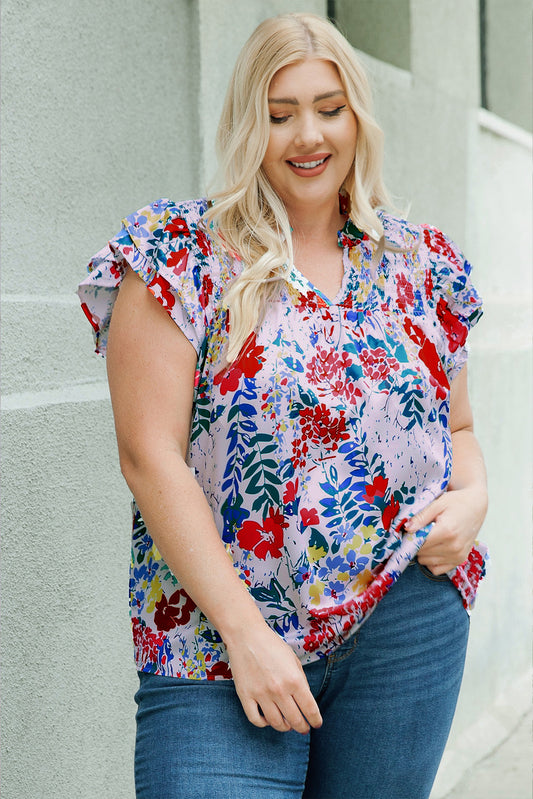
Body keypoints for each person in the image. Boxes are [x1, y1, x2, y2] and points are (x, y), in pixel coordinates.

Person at [78, 12, 488, 799]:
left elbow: (457, 426)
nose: (308, 135)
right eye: (279, 113)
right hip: (215, 642)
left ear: (357, 116)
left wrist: (473, 497)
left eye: (328, 107)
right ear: (246, 124)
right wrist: (245, 633)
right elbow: (147, 454)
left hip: (403, 627)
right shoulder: (179, 253)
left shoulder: (418, 264)